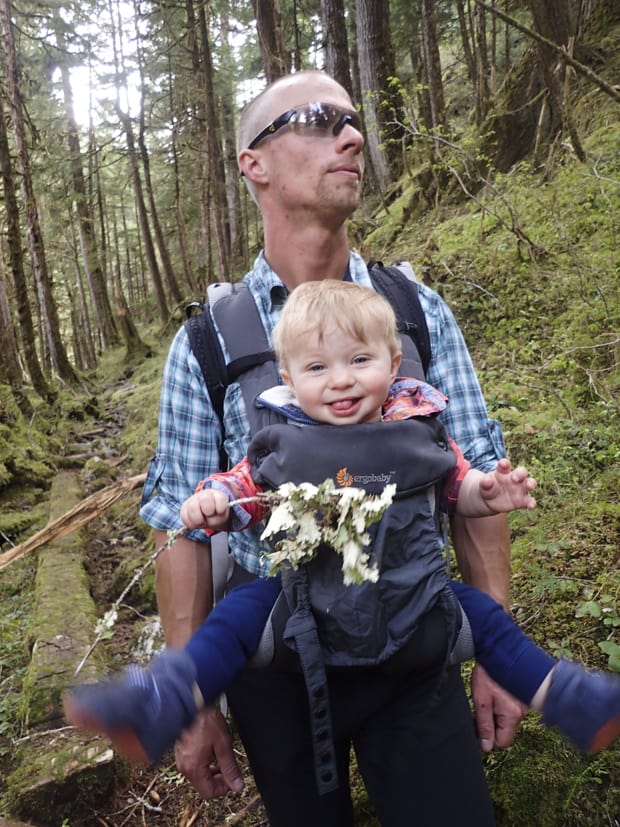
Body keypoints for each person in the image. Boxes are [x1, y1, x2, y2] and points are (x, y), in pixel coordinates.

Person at [134, 70, 525, 826]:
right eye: (318, 120)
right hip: (277, 669)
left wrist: (498, 652)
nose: (353, 136)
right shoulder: (211, 340)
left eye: (353, 119)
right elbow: (178, 524)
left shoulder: (413, 312)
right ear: (255, 163)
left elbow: (471, 471)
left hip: (416, 652)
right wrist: (190, 696)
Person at [64, 281, 620, 777]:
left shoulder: (417, 432)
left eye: (359, 359)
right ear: (288, 379)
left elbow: (459, 485)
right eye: (317, 368)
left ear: (394, 360)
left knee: (489, 623)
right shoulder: (280, 443)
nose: (341, 381)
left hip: (416, 601)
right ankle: (162, 700)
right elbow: (241, 491)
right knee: (237, 617)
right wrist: (211, 503)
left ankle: (577, 701)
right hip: (306, 611)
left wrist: (490, 492)